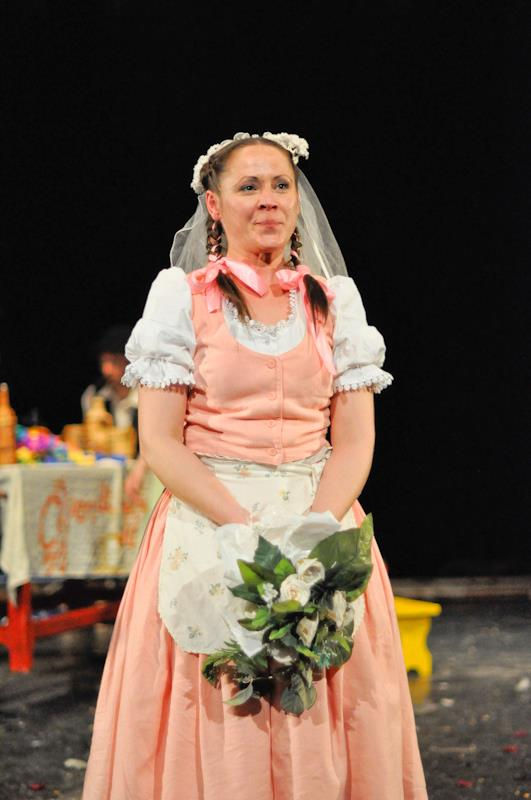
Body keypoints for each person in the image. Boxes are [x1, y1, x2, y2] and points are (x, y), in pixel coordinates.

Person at [82, 132, 428, 799]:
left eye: (280, 185)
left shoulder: (335, 302)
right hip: (210, 522)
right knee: (221, 703)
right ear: (214, 205)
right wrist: (241, 528)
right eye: (249, 187)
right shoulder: (181, 298)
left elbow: (354, 439)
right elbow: (162, 441)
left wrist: (316, 529)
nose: (269, 200)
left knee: (322, 694)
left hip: (318, 520)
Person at [81, 324, 148, 500]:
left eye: (114, 362)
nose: (106, 370)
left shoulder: (147, 395)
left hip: (144, 475)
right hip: (105, 477)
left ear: (130, 362)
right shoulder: (94, 396)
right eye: (103, 362)